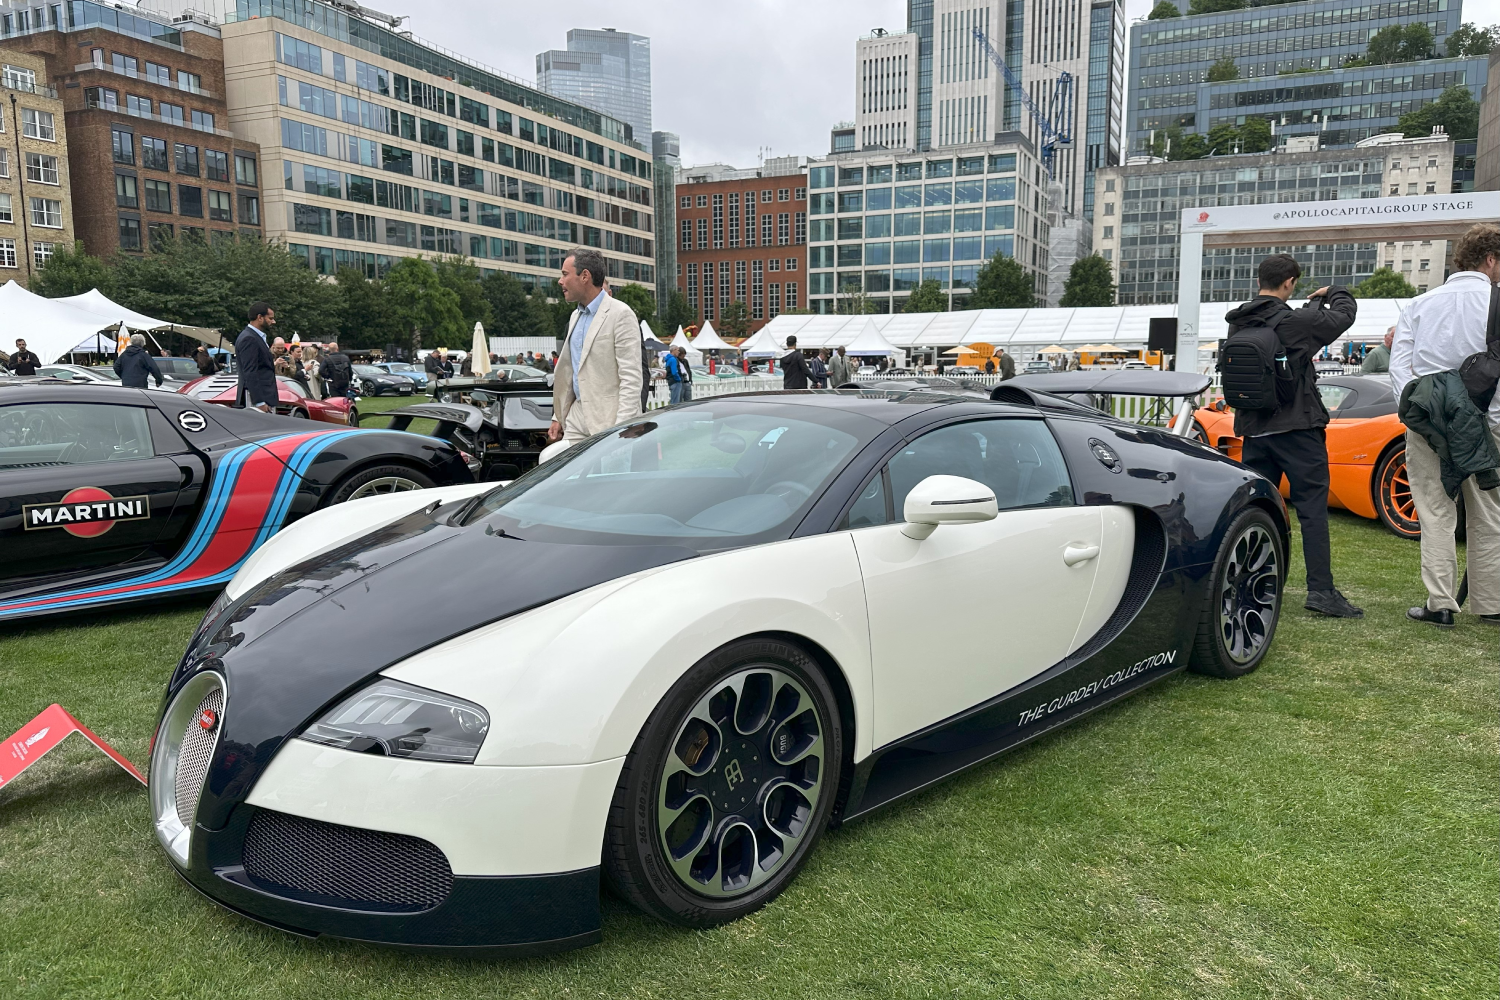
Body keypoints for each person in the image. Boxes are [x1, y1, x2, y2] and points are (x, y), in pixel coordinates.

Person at [1224, 253, 1361, 618]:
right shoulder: (1295, 321)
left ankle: (1252, 585)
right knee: (1312, 510)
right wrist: (1334, 291)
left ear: (1259, 281)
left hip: (1253, 429)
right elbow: (1344, 315)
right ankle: (1321, 591)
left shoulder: (1238, 322)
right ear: (1289, 283)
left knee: (1259, 511)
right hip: (1297, 428)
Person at [1390, 224, 1500, 628]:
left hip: (1430, 424)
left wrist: (1420, 417)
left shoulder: (1420, 303)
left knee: (1435, 512)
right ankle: (1490, 605)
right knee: (1488, 513)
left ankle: (1440, 604)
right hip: (1488, 422)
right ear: (1490, 259)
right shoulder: (1499, 301)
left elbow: (1401, 369)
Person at [548, 248, 645, 444]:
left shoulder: (621, 314)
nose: (560, 281)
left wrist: (623, 427)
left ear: (585, 276)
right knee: (571, 474)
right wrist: (558, 417)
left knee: (611, 476)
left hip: (610, 420)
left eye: (565, 274)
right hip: (576, 417)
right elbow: (570, 371)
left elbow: (631, 378)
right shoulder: (575, 316)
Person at [235, 302, 279, 412]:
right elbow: (250, 371)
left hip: (262, 398)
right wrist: (259, 402)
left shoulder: (252, 336)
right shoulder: (249, 339)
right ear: (260, 317)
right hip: (258, 401)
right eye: (270, 318)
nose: (273, 322)